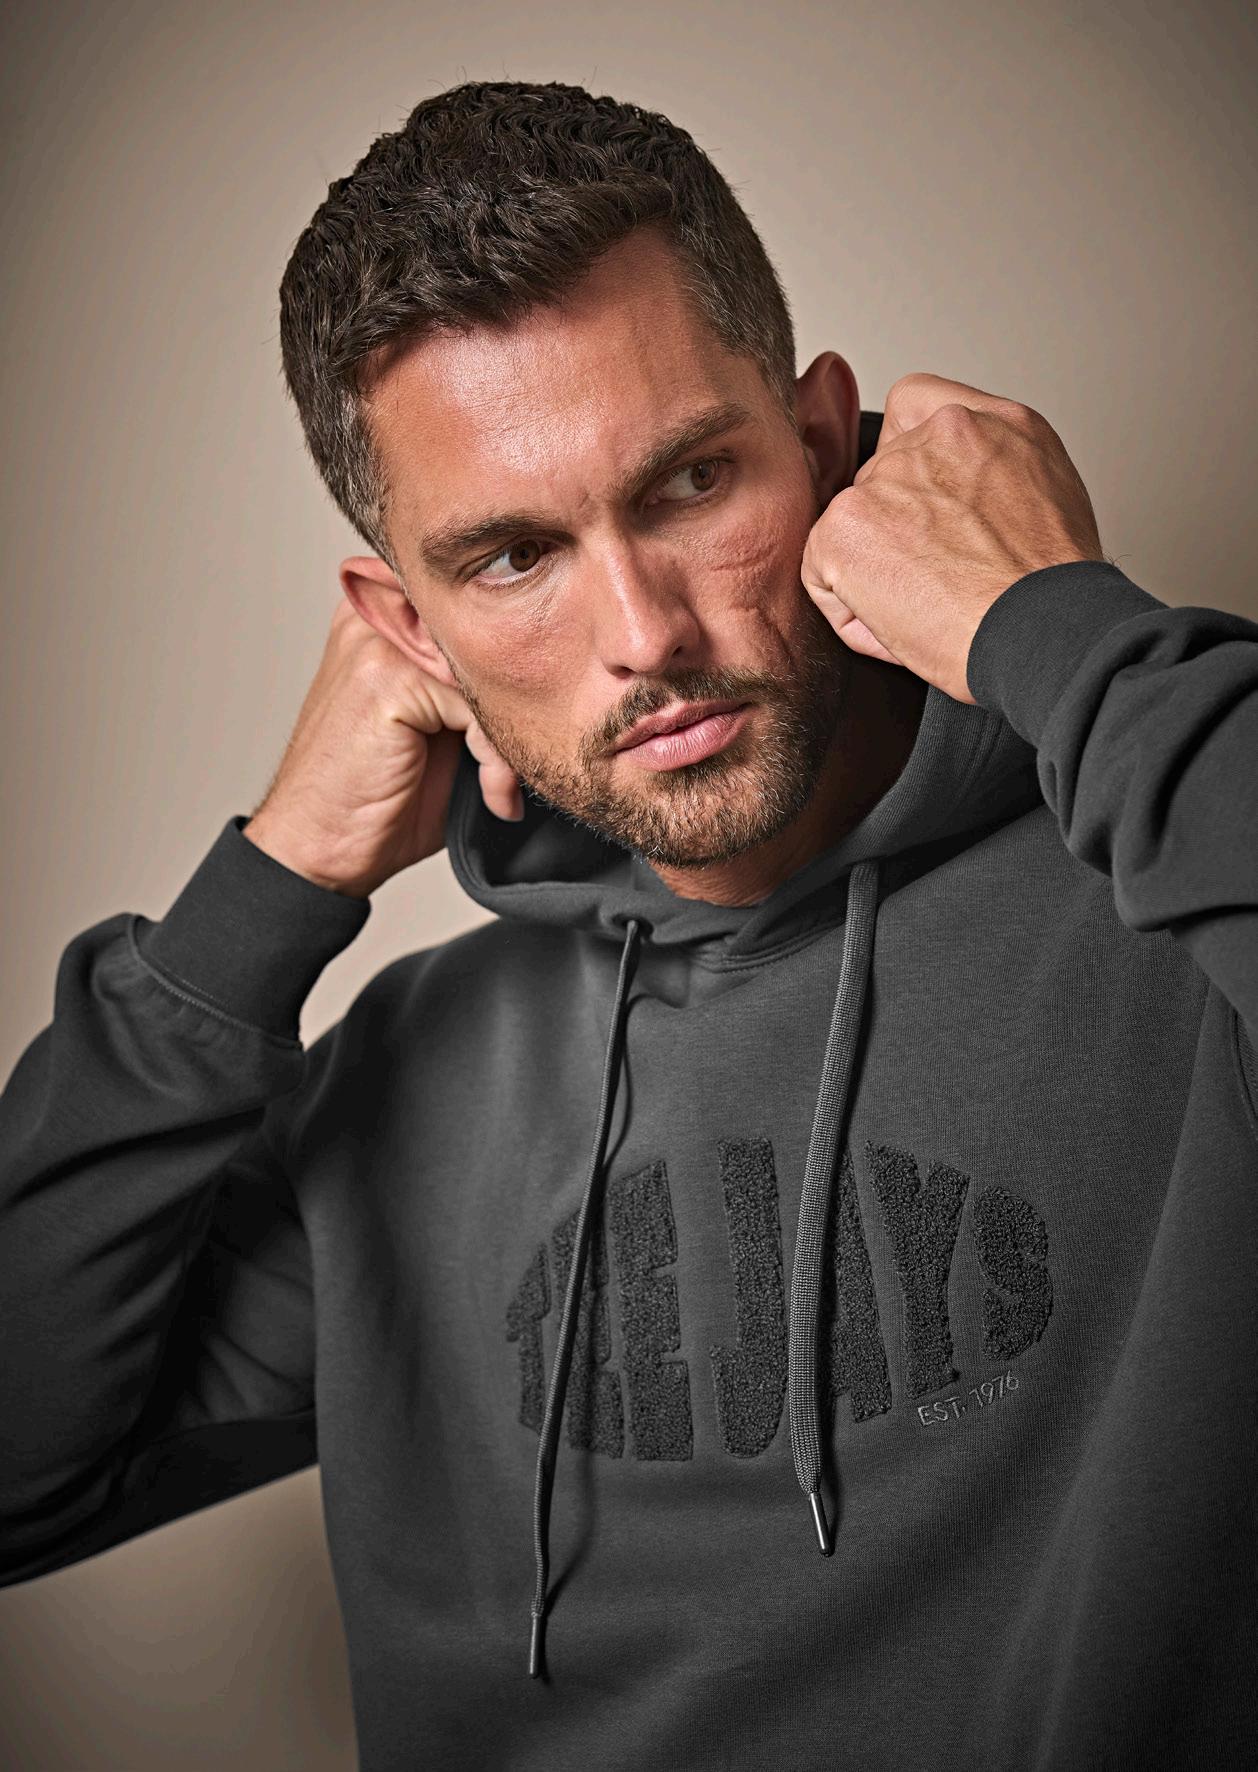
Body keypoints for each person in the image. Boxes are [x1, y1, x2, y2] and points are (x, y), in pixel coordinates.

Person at [1, 77, 1254, 1772]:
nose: (643, 633)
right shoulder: (415, 1077)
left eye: (689, 483)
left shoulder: (1178, 922)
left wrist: (1062, 635)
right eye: (510, 558)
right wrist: (275, 881)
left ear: (829, 448)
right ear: (407, 629)